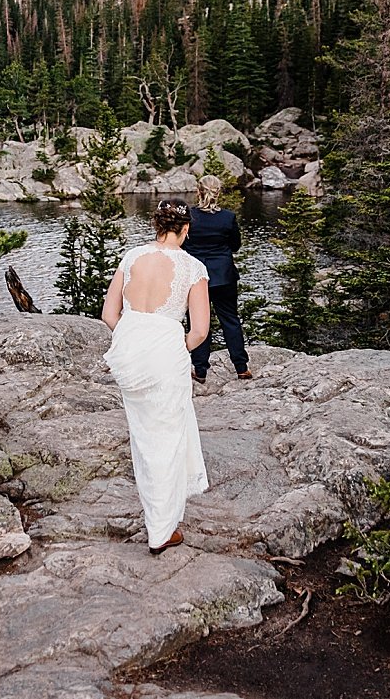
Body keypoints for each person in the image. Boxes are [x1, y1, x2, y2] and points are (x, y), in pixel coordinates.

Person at [101, 200, 211, 553]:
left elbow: (108, 313)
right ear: (185, 229)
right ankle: (161, 530)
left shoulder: (131, 257)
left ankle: (158, 518)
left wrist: (134, 339)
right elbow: (200, 332)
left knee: (144, 437)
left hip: (129, 355)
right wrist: (172, 346)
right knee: (167, 437)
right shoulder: (193, 268)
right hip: (165, 354)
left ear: (157, 226)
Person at [185, 175, 251, 382]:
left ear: (198, 192)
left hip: (196, 277)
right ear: (218, 192)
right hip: (223, 275)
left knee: (198, 322)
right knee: (230, 320)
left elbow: (181, 245)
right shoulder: (227, 217)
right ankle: (241, 367)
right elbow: (235, 246)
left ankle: (200, 370)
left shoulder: (189, 217)